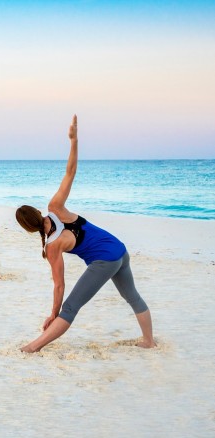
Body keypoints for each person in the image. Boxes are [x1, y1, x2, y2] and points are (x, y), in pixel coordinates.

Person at [15, 115, 156, 352]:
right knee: (132, 296)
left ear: (29, 230)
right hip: (120, 249)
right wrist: (74, 141)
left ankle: (32, 347)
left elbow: (59, 286)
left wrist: (53, 314)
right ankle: (149, 341)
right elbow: (70, 173)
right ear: (38, 212)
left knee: (70, 308)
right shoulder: (56, 208)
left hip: (105, 260)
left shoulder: (52, 246)